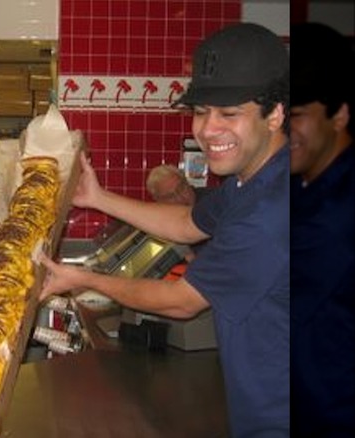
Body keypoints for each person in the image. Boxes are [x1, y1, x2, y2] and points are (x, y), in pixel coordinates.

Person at [39, 23, 289, 437]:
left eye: (229, 113)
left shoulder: (272, 210)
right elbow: (188, 224)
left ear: (275, 113)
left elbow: (180, 301)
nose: (208, 130)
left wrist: (80, 277)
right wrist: (98, 198)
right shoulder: (253, 179)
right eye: (200, 111)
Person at [289, 22, 355, 436]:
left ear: (340, 114)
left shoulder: (341, 209)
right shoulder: (304, 182)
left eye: (296, 116)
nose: (284, 133)